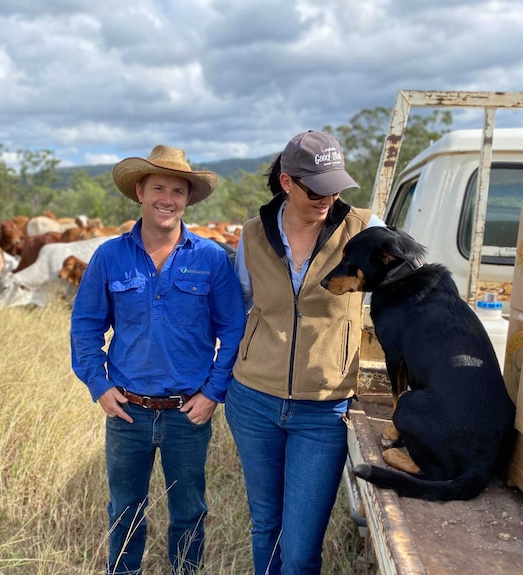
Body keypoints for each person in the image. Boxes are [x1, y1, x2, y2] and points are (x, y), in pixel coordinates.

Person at [70, 145, 247, 575]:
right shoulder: (110, 257)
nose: (168, 199)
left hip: (188, 414)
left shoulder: (210, 259)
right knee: (124, 510)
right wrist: (99, 385)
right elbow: (85, 327)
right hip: (127, 410)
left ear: (188, 199)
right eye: (158, 188)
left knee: (189, 509)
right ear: (140, 192)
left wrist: (212, 393)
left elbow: (235, 330)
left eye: (178, 191)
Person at [225, 130, 385, 575]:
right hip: (254, 401)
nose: (327, 198)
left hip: (323, 409)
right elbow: (239, 306)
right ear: (287, 182)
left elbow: (405, 283)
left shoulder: (365, 230)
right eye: (316, 188)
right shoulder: (254, 235)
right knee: (266, 528)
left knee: (299, 551)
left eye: (335, 187)